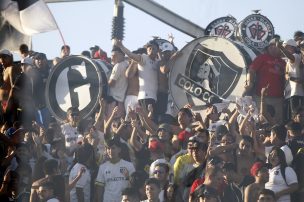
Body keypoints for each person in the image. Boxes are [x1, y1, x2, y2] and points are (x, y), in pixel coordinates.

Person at [114, 39, 162, 118]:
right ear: (146, 50)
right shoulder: (144, 59)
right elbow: (131, 55)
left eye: (154, 48)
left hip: (154, 97)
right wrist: (121, 46)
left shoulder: (157, 62)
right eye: (149, 48)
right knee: (146, 120)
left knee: (151, 120)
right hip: (145, 97)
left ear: (157, 50)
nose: (151, 50)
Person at [245, 38, 286, 124]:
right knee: (261, 120)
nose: (280, 48)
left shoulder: (283, 62)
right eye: (278, 46)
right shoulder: (262, 58)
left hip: (279, 98)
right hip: (261, 96)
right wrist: (250, 82)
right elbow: (251, 70)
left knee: (278, 123)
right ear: (270, 47)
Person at [95, 136, 135, 202]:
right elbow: (100, 188)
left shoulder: (129, 166)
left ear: (119, 149)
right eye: (108, 148)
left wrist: (128, 177)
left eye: (113, 148)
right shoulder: (102, 167)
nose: (110, 151)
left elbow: (134, 185)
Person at [278, 39, 304, 120]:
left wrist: (281, 47)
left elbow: (291, 56)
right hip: (290, 94)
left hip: (297, 94)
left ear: (292, 47)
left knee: (297, 119)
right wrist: (286, 75)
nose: (284, 49)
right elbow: (287, 73)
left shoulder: (296, 56)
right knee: (290, 119)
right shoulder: (289, 60)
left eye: (286, 47)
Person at [106, 46, 129, 120]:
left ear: (121, 55)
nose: (112, 58)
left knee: (111, 126)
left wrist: (102, 83)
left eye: (114, 56)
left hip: (114, 102)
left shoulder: (118, 66)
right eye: (112, 56)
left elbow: (112, 83)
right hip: (121, 102)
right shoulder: (126, 64)